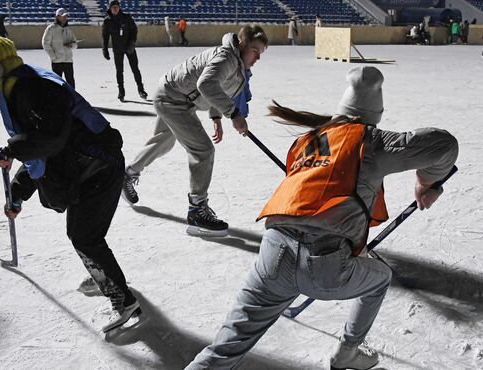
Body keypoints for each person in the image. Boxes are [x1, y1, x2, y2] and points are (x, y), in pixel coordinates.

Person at [185, 66, 458, 369]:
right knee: (380, 278)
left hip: (273, 253)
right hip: (323, 265)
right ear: (374, 112)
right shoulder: (372, 141)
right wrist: (427, 183)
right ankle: (347, 352)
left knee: (223, 349)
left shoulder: (308, 139)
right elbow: (444, 144)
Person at [0, 36, 141, 333]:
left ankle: (123, 300)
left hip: (98, 165)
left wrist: (12, 150)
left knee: (84, 235)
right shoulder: (24, 86)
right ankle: (104, 275)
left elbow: (49, 141)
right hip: (90, 166)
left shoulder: (30, 89)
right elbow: (41, 150)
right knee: (84, 234)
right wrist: (17, 195)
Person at [121, 25, 268, 237]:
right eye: (255, 51)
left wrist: (216, 116)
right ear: (243, 44)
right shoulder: (227, 58)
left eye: (260, 53)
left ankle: (127, 175)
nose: (257, 58)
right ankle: (197, 210)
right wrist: (234, 114)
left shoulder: (235, 62)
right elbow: (206, 84)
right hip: (174, 100)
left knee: (164, 140)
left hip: (171, 93)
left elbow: (219, 88)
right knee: (203, 150)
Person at [102, 0, 147, 102]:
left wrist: (132, 44)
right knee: (119, 71)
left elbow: (134, 30)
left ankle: (141, 90)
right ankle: (121, 91)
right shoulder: (107, 21)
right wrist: (105, 49)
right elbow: (105, 36)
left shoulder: (126, 17)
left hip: (129, 47)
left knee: (135, 69)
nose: (115, 9)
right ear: (110, 8)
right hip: (117, 49)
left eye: (117, 7)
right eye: (113, 7)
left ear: (119, 7)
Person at [42, 8, 78, 88]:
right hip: (57, 61)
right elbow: (45, 43)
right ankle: (57, 99)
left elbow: (75, 43)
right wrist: (53, 57)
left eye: (66, 16)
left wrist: (72, 45)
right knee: (56, 83)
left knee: (71, 82)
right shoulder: (51, 29)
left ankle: (72, 99)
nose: (65, 18)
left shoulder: (69, 29)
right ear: (57, 17)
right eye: (63, 16)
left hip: (68, 60)